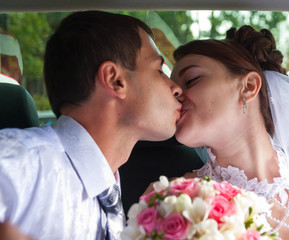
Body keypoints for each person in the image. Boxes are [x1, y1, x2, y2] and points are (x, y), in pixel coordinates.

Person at [0, 10, 182, 240]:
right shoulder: (19, 164)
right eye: (159, 70)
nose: (176, 88)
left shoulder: (110, 187)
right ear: (115, 80)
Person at [171, 25, 289, 239]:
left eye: (191, 80)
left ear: (249, 86)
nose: (175, 93)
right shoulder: (176, 201)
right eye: (172, 88)